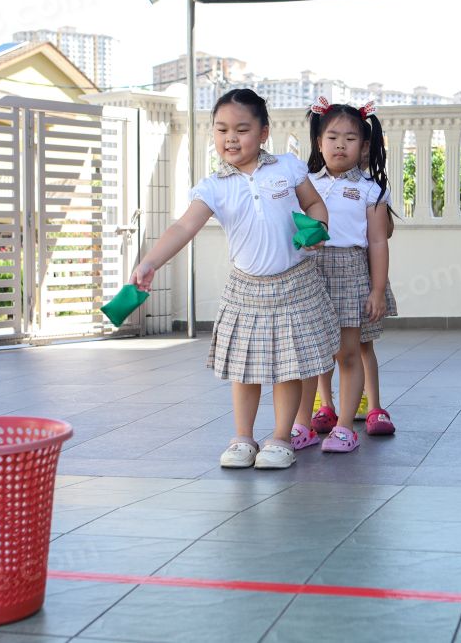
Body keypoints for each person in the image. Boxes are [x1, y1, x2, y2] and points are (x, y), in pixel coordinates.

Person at [130, 88, 338, 470]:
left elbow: (313, 203)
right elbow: (182, 226)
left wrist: (319, 226)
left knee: (287, 367)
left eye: (241, 129)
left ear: (263, 133)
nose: (230, 138)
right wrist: (150, 261)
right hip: (246, 289)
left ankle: (279, 438)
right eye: (221, 129)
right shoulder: (214, 186)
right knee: (245, 368)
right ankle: (243, 438)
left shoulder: (287, 168)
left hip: (295, 284)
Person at [291, 99, 397, 453]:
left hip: (350, 271)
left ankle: (342, 429)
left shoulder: (371, 189)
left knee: (348, 354)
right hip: (309, 273)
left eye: (350, 138)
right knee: (308, 356)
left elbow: (379, 242)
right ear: (319, 142)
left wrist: (377, 290)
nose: (340, 144)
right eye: (332, 137)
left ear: (364, 146)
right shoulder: (305, 184)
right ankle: (301, 426)